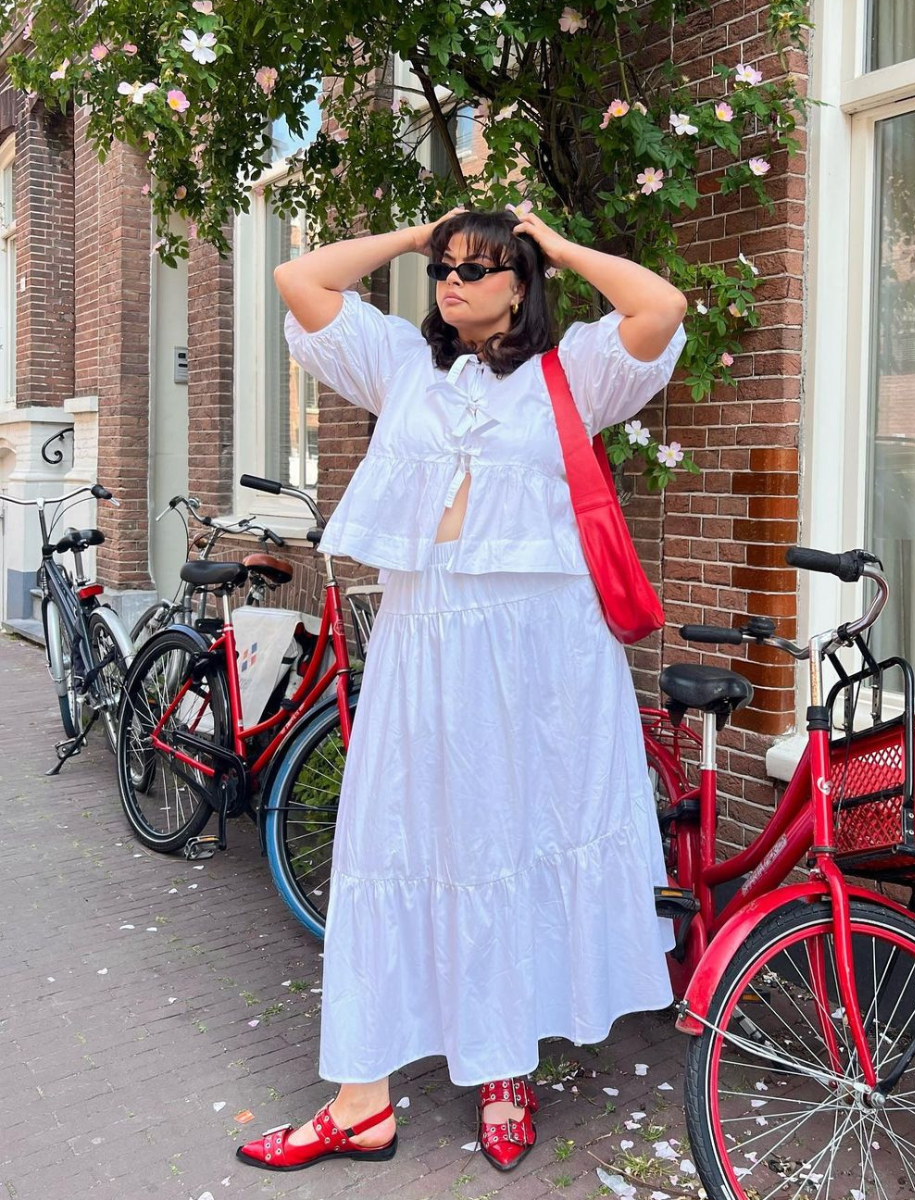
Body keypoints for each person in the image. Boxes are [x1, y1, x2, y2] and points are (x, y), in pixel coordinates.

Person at [235, 206, 688, 1175]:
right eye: (447, 267)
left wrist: (560, 245)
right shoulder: (402, 365)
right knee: (389, 840)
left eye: (482, 269)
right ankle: (359, 1101)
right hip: (425, 641)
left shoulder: (574, 370)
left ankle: (504, 1071)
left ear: (520, 283)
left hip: (545, 655)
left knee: (513, 840)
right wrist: (407, 238)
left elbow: (659, 305)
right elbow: (300, 282)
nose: (456, 281)